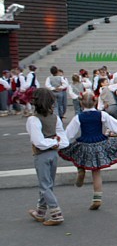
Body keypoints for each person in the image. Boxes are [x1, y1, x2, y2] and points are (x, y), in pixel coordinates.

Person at [59, 92, 117, 210]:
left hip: (84, 143)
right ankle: (97, 198)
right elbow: (115, 125)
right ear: (95, 102)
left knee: (76, 154)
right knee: (96, 171)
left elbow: (69, 133)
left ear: (81, 103)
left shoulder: (78, 117)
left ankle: (81, 169)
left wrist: (61, 142)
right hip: (98, 143)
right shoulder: (102, 114)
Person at [27, 88, 69, 226]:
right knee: (48, 183)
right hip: (53, 154)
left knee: (45, 185)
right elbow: (63, 140)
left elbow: (38, 141)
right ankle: (40, 211)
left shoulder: (34, 119)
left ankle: (56, 214)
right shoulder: (54, 118)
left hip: (42, 155)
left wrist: (51, 143)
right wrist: (55, 143)